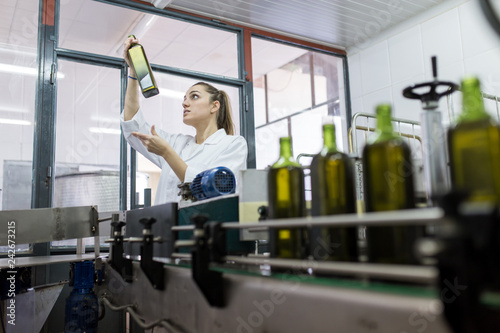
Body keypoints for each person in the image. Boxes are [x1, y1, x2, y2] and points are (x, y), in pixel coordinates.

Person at [120, 36, 248, 205]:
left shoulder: (233, 145)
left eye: (194, 97)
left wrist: (167, 153)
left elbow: (215, 190)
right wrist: (133, 74)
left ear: (214, 106)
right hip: (165, 228)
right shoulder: (176, 143)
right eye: (184, 98)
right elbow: (132, 125)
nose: (184, 103)